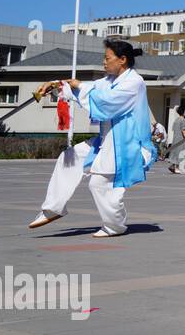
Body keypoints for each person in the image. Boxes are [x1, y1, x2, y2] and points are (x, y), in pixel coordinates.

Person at [29, 40, 157, 237]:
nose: (104, 63)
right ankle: (52, 209)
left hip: (125, 144)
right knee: (69, 158)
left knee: (100, 184)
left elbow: (106, 102)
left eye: (107, 58)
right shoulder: (108, 80)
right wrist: (55, 84)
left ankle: (115, 226)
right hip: (105, 140)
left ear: (122, 60)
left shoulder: (134, 82)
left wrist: (79, 86)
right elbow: (85, 87)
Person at [167, 104, 185, 174]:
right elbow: (183, 130)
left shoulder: (176, 120)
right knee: (182, 153)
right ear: (183, 112)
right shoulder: (183, 120)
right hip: (181, 139)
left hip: (175, 139)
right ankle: (177, 168)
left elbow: (174, 129)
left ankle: (173, 166)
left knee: (176, 153)